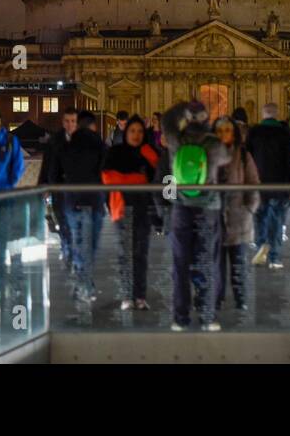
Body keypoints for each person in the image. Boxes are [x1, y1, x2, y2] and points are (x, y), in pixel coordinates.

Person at [162, 100, 231, 331]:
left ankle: (180, 318)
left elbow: (166, 121)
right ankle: (207, 316)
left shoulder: (176, 141)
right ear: (206, 120)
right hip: (208, 207)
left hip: (181, 207)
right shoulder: (214, 144)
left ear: (187, 119)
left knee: (180, 263)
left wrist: (181, 107)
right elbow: (226, 158)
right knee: (207, 261)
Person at [46, 109, 107, 303]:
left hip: (71, 200)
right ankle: (84, 283)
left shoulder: (63, 146)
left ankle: (83, 282)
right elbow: (106, 170)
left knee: (78, 240)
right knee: (89, 244)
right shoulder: (99, 144)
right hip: (94, 200)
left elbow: (53, 174)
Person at [100, 114, 160, 310]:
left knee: (141, 254)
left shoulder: (149, 152)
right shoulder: (115, 152)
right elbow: (107, 178)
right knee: (125, 253)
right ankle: (127, 294)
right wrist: (138, 179)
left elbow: (161, 177)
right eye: (133, 131)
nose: (136, 135)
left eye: (140, 131)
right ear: (126, 132)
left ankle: (140, 296)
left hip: (144, 210)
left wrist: (128, 179)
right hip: (122, 208)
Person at [214, 116, 260, 313]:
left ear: (234, 133)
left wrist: (249, 208)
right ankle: (216, 297)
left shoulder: (243, 155)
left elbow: (253, 183)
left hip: (238, 217)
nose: (224, 134)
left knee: (239, 262)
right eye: (220, 130)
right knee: (215, 263)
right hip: (214, 216)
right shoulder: (208, 155)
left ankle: (241, 297)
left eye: (227, 130)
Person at [246, 102, 290, 268]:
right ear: (276, 115)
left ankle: (261, 243)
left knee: (258, 216)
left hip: (258, 183)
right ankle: (275, 258)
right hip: (279, 184)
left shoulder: (254, 132)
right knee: (276, 220)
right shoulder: (283, 133)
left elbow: (247, 159)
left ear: (263, 114)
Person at [40, 107, 79, 271]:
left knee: (75, 223)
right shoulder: (54, 141)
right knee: (63, 222)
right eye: (67, 121)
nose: (70, 125)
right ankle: (67, 249)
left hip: (78, 190)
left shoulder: (84, 141)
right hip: (58, 187)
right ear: (63, 122)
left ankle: (72, 252)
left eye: (73, 121)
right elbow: (46, 164)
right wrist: (43, 185)